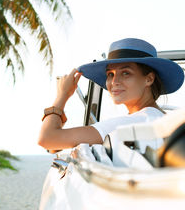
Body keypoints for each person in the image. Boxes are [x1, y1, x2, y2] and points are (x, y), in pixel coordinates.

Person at [38, 38, 184, 153]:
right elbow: (55, 146)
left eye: (126, 73)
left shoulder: (136, 122)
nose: (114, 82)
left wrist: (62, 95)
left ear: (149, 79)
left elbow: (48, 139)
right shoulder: (160, 118)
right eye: (110, 74)